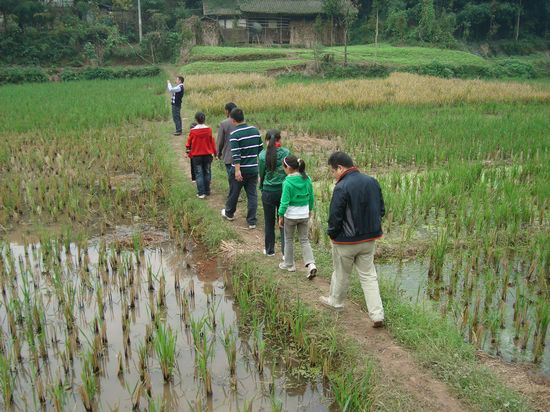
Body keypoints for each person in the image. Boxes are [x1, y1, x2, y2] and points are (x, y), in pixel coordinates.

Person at [320, 151, 385, 328]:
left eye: (333, 171)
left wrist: (332, 234)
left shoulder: (341, 187)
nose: (334, 175)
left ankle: (336, 303)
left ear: (340, 168)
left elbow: (335, 216)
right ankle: (377, 314)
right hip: (369, 239)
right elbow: (381, 210)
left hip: (346, 242)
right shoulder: (372, 182)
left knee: (341, 273)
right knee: (369, 276)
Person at [221, 108, 262, 229]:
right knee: (252, 195)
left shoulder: (234, 134)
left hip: (239, 170)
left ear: (233, 120)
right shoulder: (255, 130)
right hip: (253, 169)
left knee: (234, 192)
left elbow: (236, 154)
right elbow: (260, 150)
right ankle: (252, 221)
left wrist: (238, 170)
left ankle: (229, 213)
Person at [277, 155, 317, 279]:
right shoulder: (307, 179)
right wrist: (310, 210)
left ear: (288, 168)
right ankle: (311, 264)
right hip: (304, 214)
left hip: (291, 216)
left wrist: (280, 215)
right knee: (304, 240)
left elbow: (284, 202)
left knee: (288, 239)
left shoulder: (287, 182)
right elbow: (311, 197)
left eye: (284, 167)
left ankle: (289, 264)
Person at [259, 129, 290, 257]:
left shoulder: (262, 155)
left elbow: (262, 173)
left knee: (269, 221)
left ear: (267, 140)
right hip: (283, 191)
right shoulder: (286, 153)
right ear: (279, 140)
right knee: (283, 221)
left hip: (268, 191)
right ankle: (285, 253)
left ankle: (270, 250)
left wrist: (262, 187)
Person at [186, 112, 216, 199]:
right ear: (204, 119)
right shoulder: (209, 130)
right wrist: (215, 152)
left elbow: (189, 143)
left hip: (197, 156)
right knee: (207, 172)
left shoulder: (193, 131)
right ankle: (207, 191)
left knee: (199, 174)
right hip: (207, 155)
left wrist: (188, 151)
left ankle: (201, 193)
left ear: (196, 120)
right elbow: (212, 142)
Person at [216, 102, 238, 179]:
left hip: (229, 156)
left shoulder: (224, 123)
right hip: (242, 155)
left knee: (231, 177)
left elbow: (220, 141)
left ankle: (234, 190)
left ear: (228, 111)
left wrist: (218, 153)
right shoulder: (242, 122)